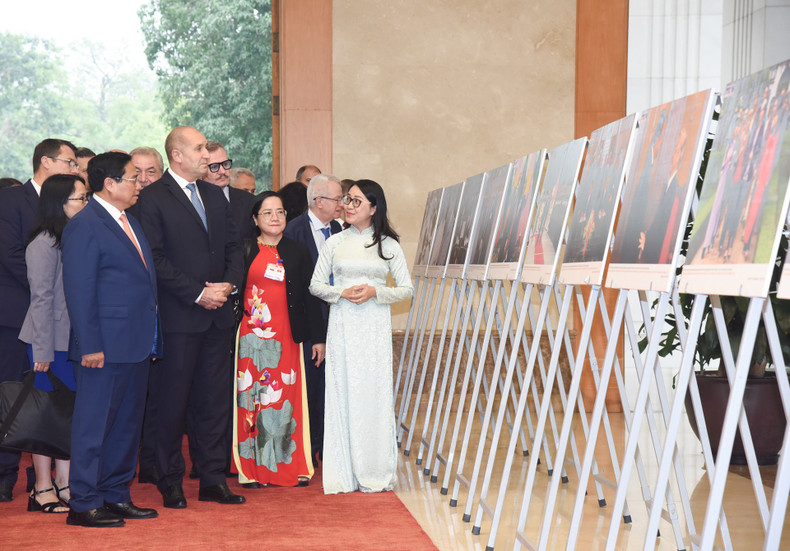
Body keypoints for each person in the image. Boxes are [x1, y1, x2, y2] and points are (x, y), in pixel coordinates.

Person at [136, 126, 245, 509]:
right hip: (179, 317)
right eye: (199, 148)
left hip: (217, 319)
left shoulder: (216, 196)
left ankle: (213, 479)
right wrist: (199, 292)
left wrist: (227, 286)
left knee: (213, 402)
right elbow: (154, 258)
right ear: (177, 155)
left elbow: (236, 248)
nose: (207, 154)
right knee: (172, 404)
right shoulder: (151, 198)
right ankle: (170, 481)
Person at [61, 152, 161, 527]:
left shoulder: (128, 221)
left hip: (136, 343)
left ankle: (115, 494)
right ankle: (83, 501)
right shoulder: (85, 225)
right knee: (94, 424)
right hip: (102, 346)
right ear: (110, 183)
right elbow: (79, 290)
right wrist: (90, 345)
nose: (140, 184)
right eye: (134, 177)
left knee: (125, 426)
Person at [309, 179, 413, 494]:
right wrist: (341, 292)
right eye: (347, 200)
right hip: (342, 326)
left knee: (373, 391)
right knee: (342, 391)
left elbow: (407, 289)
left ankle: (374, 469)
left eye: (356, 201)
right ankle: (344, 471)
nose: (348, 206)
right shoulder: (335, 243)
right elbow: (315, 285)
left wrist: (374, 292)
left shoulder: (389, 245)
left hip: (374, 327)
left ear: (373, 207)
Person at [0, 138, 78, 502]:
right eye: (69, 161)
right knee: (33, 408)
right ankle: (28, 483)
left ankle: (58, 482)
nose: (75, 167)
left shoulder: (72, 230)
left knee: (62, 410)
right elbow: (21, 266)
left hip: (65, 333)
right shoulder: (23, 215)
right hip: (34, 328)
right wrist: (42, 345)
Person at [234, 191, 325, 487]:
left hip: (287, 337)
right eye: (267, 213)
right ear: (255, 219)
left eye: (280, 212)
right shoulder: (243, 249)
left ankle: (288, 463)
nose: (275, 218)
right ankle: (254, 469)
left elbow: (311, 298)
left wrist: (318, 339)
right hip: (251, 339)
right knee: (254, 399)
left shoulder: (298, 251)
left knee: (285, 397)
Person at [18, 174, 89, 514]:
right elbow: (41, 301)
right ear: (59, 203)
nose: (85, 204)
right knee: (46, 415)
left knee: (68, 415)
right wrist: (43, 352)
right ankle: (41, 487)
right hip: (49, 345)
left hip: (72, 343)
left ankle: (65, 482)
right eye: (79, 198)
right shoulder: (43, 243)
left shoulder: (74, 237)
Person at [283, 174, 343, 463]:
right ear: (319, 202)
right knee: (310, 385)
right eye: (337, 199)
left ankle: (328, 444)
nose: (342, 204)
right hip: (308, 324)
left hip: (339, 319)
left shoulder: (341, 231)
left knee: (332, 387)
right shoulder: (294, 231)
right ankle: (308, 445)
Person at [205, 141, 256, 239]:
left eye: (225, 164)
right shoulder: (194, 202)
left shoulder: (250, 201)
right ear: (201, 169)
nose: (223, 171)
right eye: (214, 167)